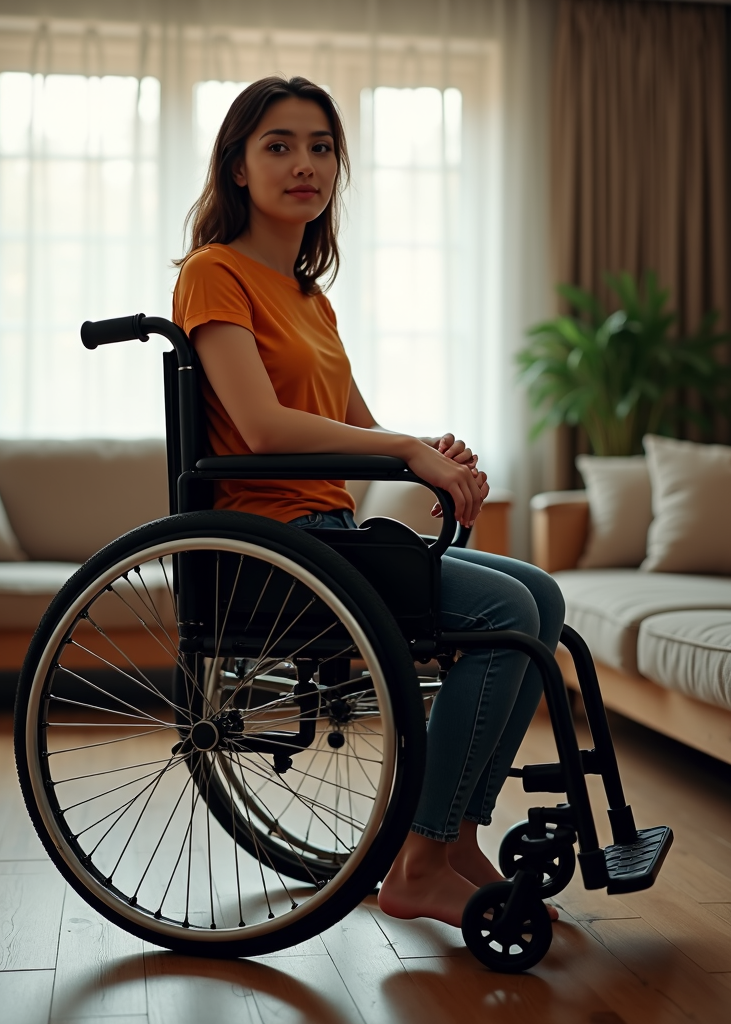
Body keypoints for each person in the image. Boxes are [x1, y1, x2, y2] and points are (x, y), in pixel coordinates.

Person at [172, 75, 565, 929]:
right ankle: (418, 866)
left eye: (320, 147)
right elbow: (265, 430)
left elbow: (358, 431)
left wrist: (432, 458)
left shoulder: (312, 299)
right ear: (238, 166)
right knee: (503, 605)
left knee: (539, 594)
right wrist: (405, 450)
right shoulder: (215, 274)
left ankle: (454, 839)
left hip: (331, 536)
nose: (303, 164)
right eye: (278, 145)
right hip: (272, 547)